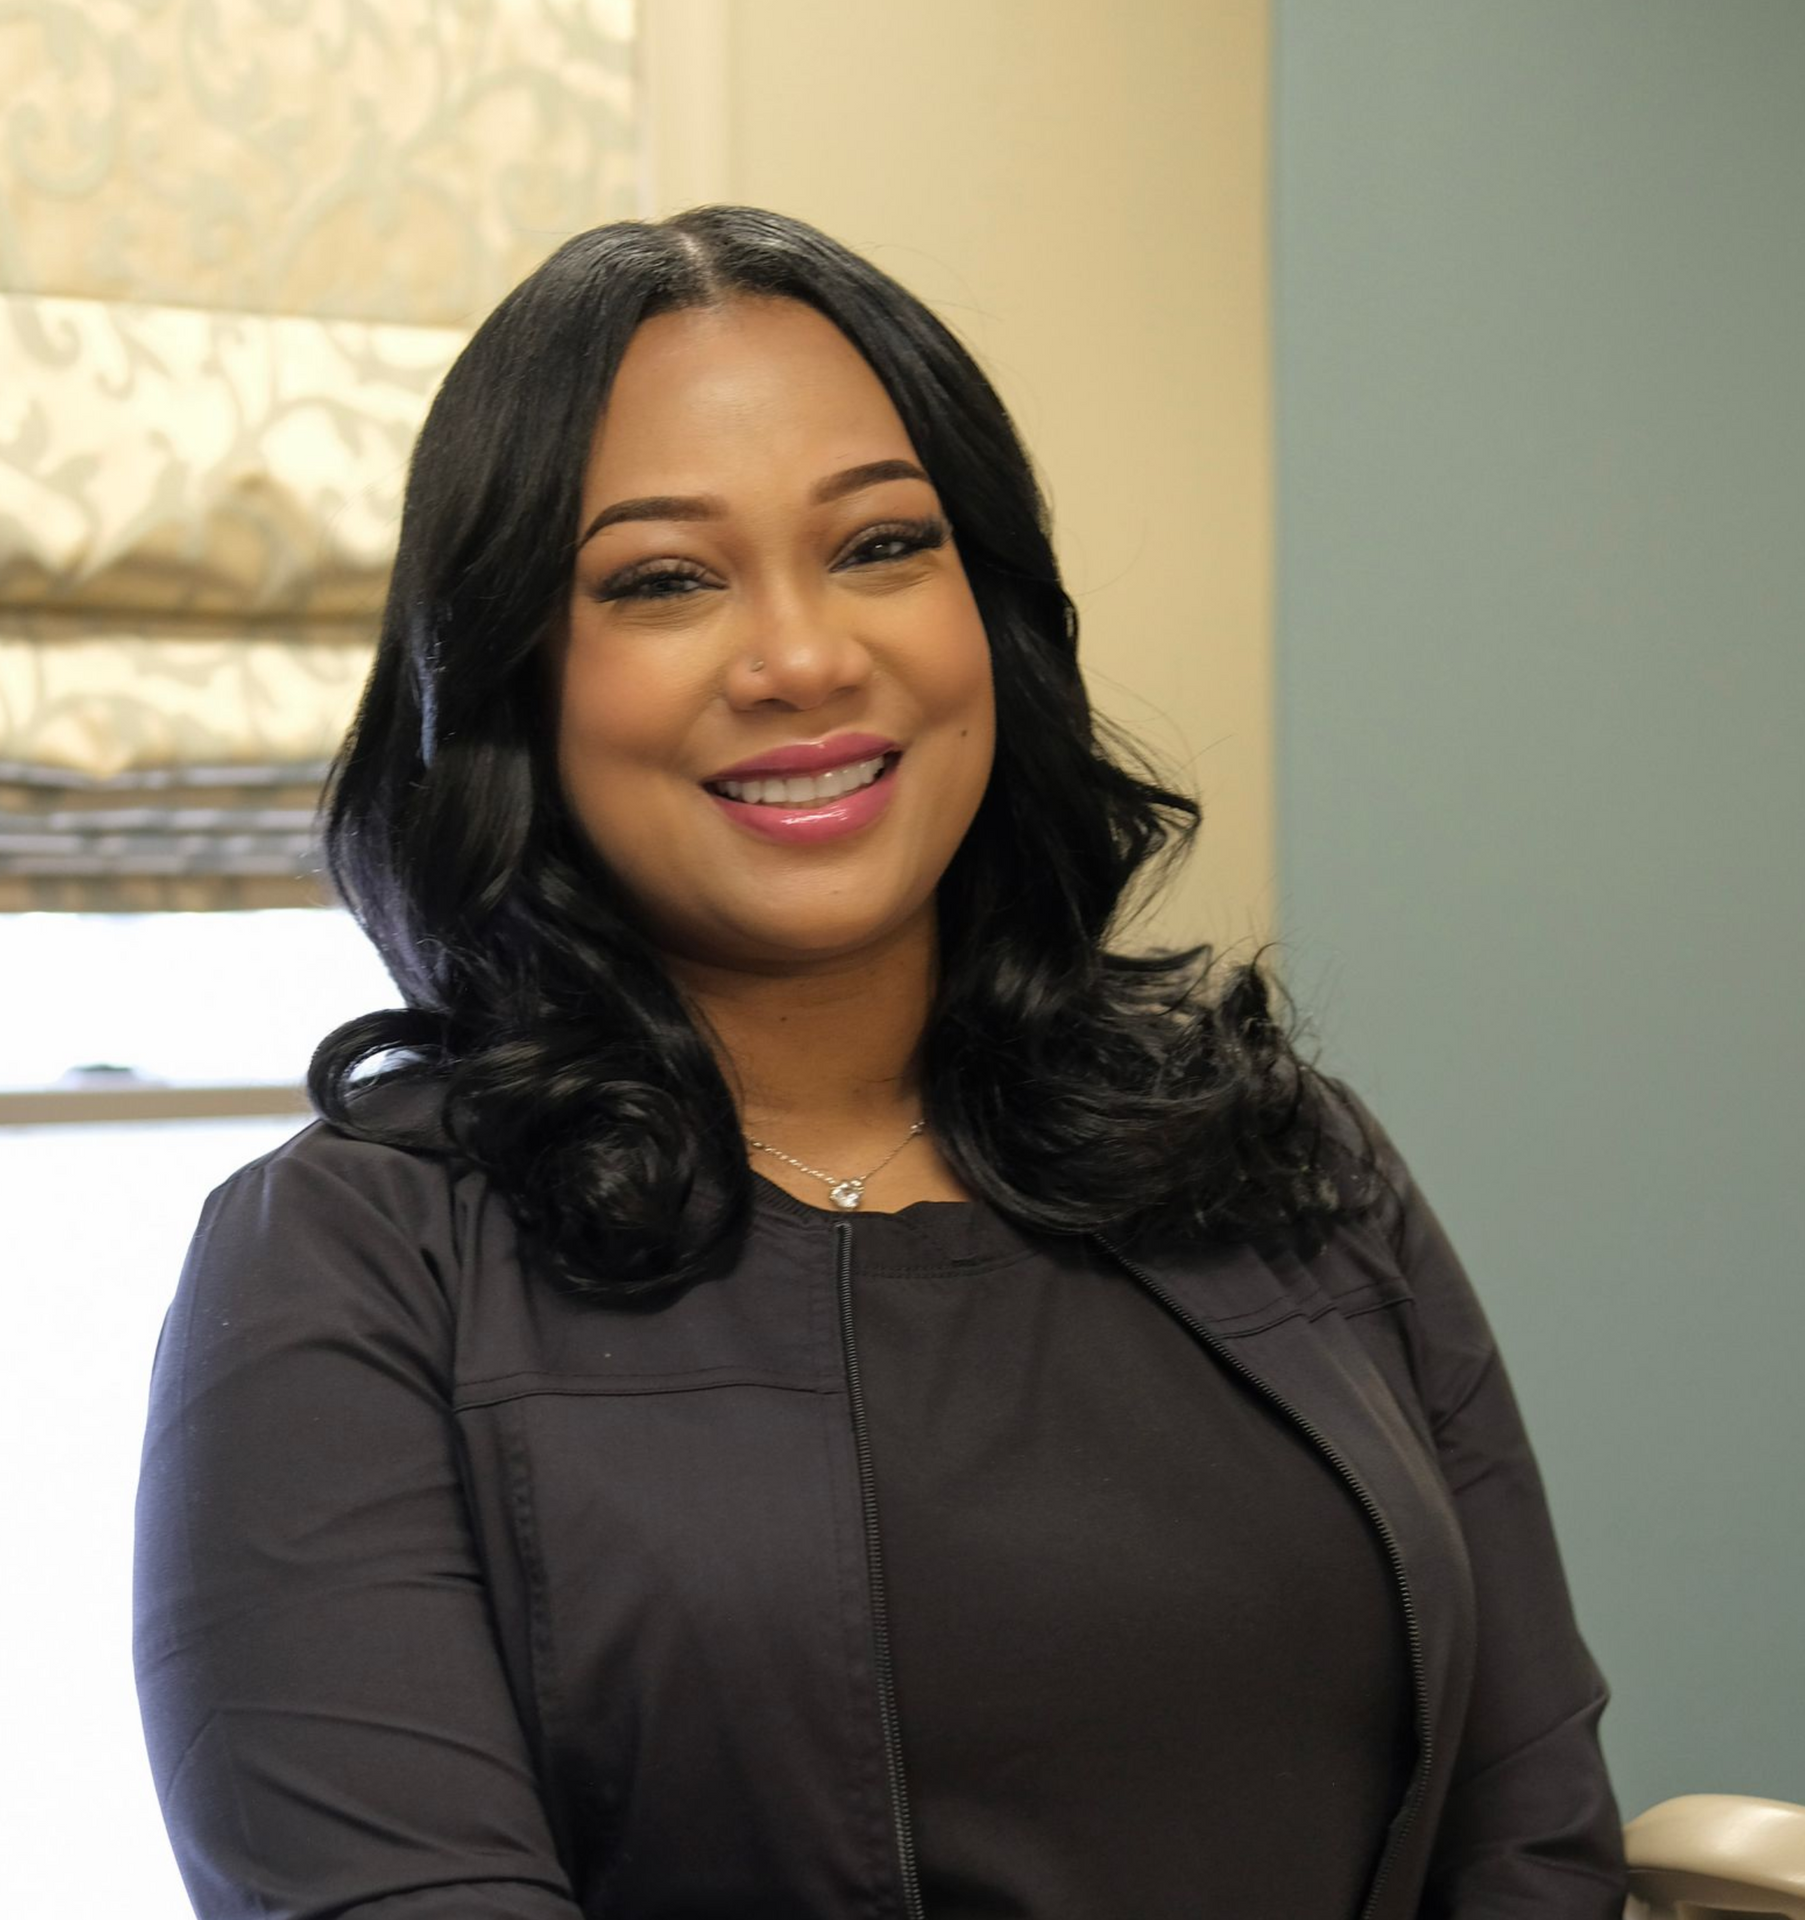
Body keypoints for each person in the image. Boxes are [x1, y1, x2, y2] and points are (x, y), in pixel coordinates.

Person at [132, 205, 1627, 1919]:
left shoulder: (1285, 1159)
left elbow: (1534, 1831)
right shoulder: (344, 1273)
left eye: (882, 547)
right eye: (663, 580)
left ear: (987, 608)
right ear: (513, 686)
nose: (802, 659)